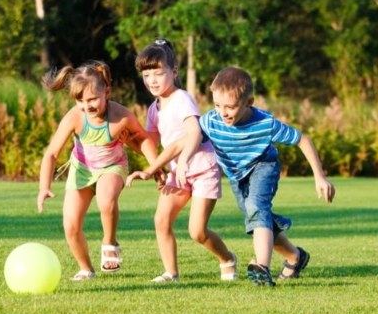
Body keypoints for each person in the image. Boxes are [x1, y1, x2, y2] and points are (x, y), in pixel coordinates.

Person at [133, 66, 336, 286]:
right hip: (237, 175)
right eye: (218, 105)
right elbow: (180, 144)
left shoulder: (264, 124)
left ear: (249, 102)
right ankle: (295, 256)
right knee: (256, 217)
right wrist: (152, 168)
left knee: (256, 208)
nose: (223, 112)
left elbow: (302, 139)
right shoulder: (212, 121)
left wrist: (320, 176)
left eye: (230, 107)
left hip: (263, 166)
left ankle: (262, 267)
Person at [126, 38, 237, 283]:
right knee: (161, 220)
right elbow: (150, 143)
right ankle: (171, 273)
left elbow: (194, 132)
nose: (152, 80)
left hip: (202, 168)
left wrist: (183, 159)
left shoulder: (182, 99)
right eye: (146, 75)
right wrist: (148, 164)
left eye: (158, 73)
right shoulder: (154, 108)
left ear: (173, 72)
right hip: (178, 172)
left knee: (197, 232)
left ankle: (227, 258)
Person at [37, 60, 159, 281]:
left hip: (112, 167)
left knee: (106, 200)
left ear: (107, 92)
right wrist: (44, 187)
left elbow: (143, 141)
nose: (87, 106)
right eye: (80, 100)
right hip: (81, 170)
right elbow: (51, 154)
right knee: (70, 226)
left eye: (93, 99)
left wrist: (156, 166)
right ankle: (85, 268)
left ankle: (109, 242)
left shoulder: (121, 116)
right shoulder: (75, 117)